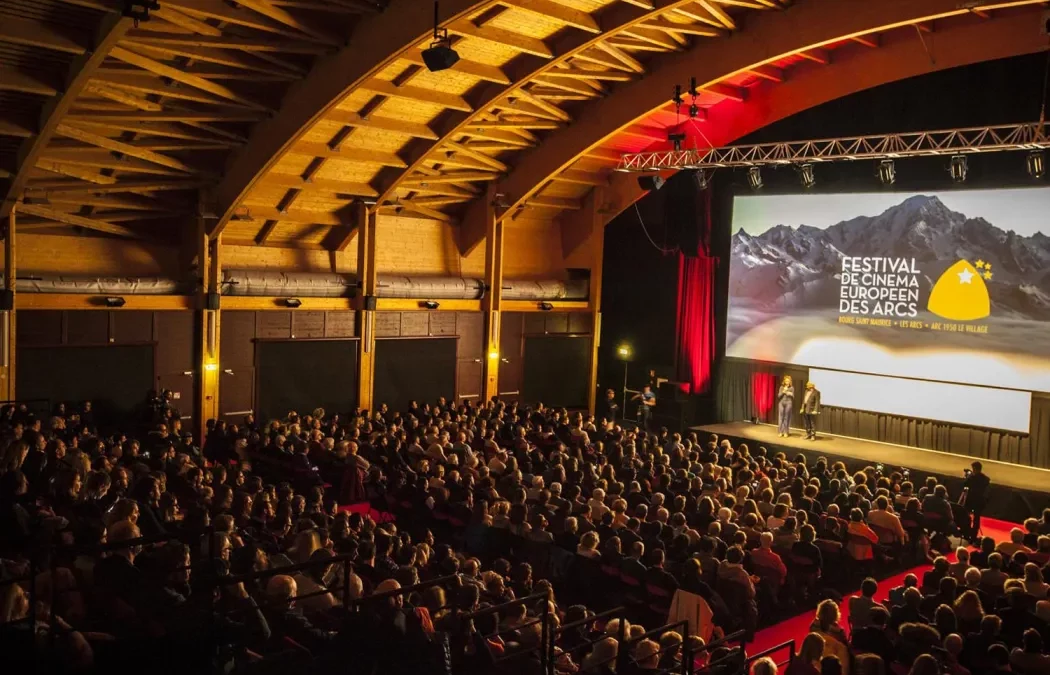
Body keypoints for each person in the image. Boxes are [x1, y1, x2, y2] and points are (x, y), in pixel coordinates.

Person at [961, 461, 990, 542]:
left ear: (974, 469)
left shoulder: (971, 478)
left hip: (970, 500)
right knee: (977, 519)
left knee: (966, 517)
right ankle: (973, 536)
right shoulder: (986, 479)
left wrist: (968, 476)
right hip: (980, 501)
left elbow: (965, 484)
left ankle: (966, 533)